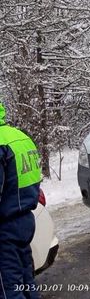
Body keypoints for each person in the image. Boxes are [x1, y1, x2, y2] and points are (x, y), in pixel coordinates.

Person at [0, 102, 42, 299]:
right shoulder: (20, 137)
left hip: (4, 228)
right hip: (25, 221)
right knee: (26, 281)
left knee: (8, 288)